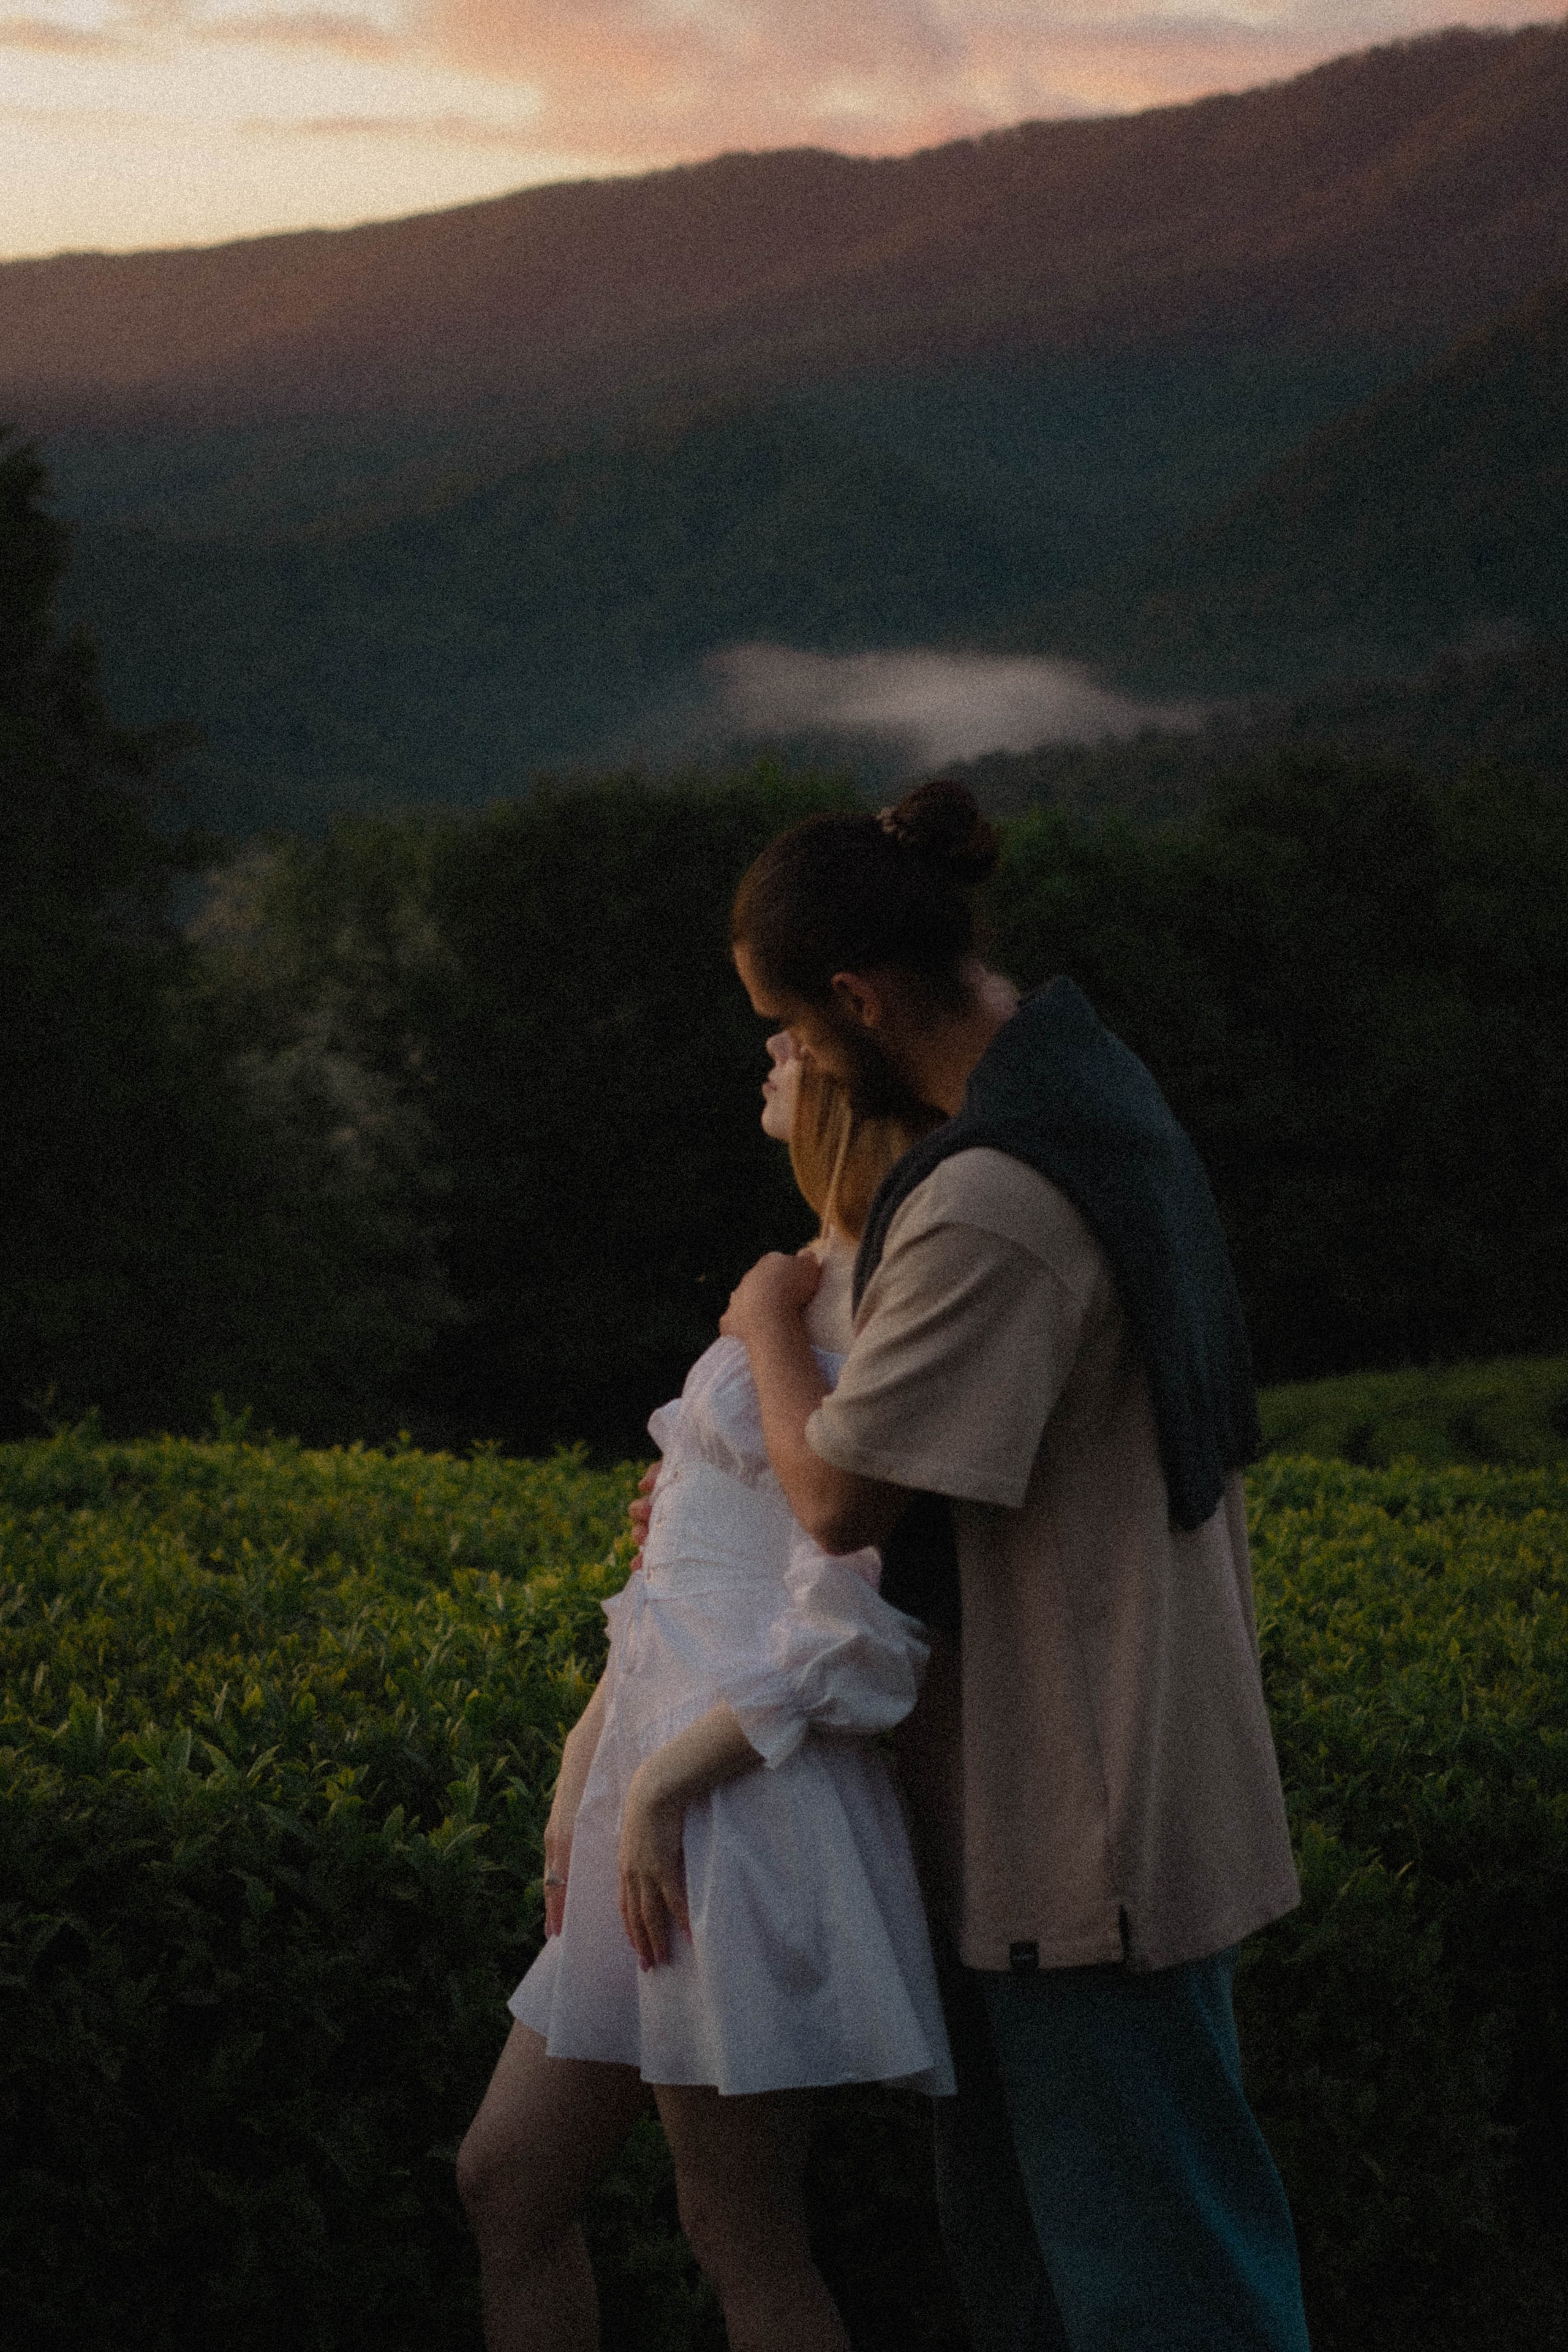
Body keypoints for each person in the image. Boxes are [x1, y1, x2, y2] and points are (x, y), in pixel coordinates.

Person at [719, 778, 1313, 2352]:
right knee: (1081, 2267)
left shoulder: (993, 1197)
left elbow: (839, 1493)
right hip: (1101, 1777)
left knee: (1152, 2293)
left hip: (1077, 1807)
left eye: (788, 1025)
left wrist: (762, 1324)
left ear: (856, 1000)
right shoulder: (1086, 1092)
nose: (787, 1059)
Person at [455, 1033, 954, 2352]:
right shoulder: (799, 1280)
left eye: (799, 1027)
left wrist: (661, 1785)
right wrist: (591, 1758)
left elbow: (860, 1636)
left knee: (739, 2236)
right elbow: (684, 1562)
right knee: (506, 2181)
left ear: (854, 1075)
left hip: (738, 1803)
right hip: (657, 1785)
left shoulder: (882, 1304)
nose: (771, 1043)